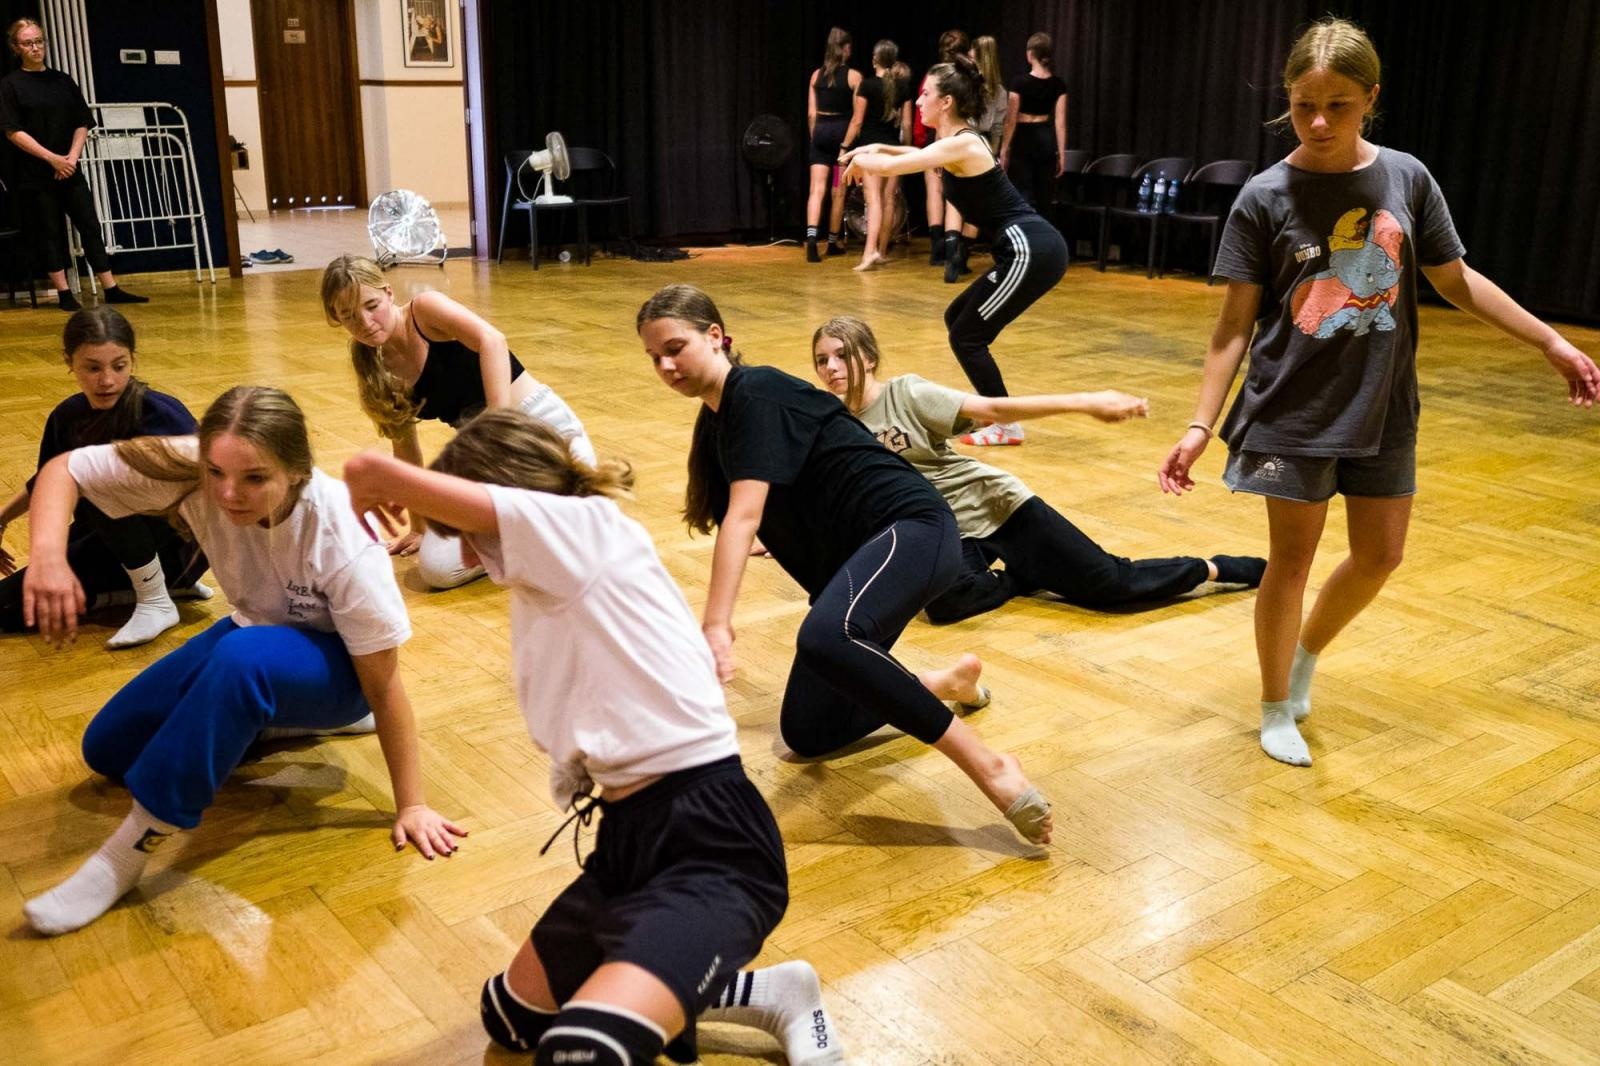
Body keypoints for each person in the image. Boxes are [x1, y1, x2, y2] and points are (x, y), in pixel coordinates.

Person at [1156, 17, 1600, 768]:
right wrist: (1201, 425)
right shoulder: (1264, 197)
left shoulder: (1405, 178)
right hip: (1290, 411)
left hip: (1385, 407)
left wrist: (1551, 340)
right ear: (1286, 101)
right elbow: (1232, 327)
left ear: (1372, 99)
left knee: (1380, 556)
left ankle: (1302, 658)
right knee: (1289, 563)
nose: (1320, 121)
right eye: (1303, 105)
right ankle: (1273, 706)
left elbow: (1455, 279)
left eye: (1339, 105)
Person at [343, 410, 842, 1066]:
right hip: (630, 843)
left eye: (467, 531)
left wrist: (370, 482)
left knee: (583, 1052)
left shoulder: (582, 531)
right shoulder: (553, 577)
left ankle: (676, 976)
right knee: (511, 1019)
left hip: (714, 847)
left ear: (511, 498)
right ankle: (769, 991)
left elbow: (366, 470)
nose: (464, 555)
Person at [19, 386, 462, 936]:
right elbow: (65, 469)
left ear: (296, 472)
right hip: (254, 636)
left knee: (240, 659)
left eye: (255, 478)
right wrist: (46, 557)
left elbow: (387, 684)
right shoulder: (194, 466)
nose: (229, 493)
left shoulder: (342, 539)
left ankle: (126, 855)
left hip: (343, 674)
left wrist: (412, 805)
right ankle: (264, 719)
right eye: (216, 472)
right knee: (108, 749)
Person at [641, 283, 1053, 846]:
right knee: (806, 733)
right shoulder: (717, 425)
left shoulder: (756, 390)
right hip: (862, 560)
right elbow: (759, 512)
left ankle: (989, 765)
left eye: (675, 347)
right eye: (654, 357)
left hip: (914, 530)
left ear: (716, 337)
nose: (665, 366)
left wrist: (716, 624)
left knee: (827, 637)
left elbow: (744, 515)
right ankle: (941, 682)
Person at [813, 315, 1266, 623]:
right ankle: (1026, 574)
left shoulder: (906, 395)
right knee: (945, 605)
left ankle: (1218, 568)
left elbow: (992, 408)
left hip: (995, 506)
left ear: (868, 357)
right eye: (822, 360)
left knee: (1110, 586)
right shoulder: (836, 423)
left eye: (842, 354)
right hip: (946, 530)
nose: (832, 367)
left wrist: (1084, 402)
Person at [320, 254, 594, 589]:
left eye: (371, 305)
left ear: (389, 292)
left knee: (583, 525)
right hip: (486, 462)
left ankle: (548, 526)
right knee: (436, 568)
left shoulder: (424, 310)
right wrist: (419, 527)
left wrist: (496, 430)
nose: (365, 322)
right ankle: (531, 535)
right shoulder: (374, 366)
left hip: (541, 431)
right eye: (348, 316)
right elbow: (405, 448)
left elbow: (491, 340)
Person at [843, 56, 1069, 447]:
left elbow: (901, 165)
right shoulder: (952, 143)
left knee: (967, 336)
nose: (917, 102)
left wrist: (864, 158)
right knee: (957, 320)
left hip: (1030, 248)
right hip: (1024, 248)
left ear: (946, 102)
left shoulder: (964, 143)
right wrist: (875, 147)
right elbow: (905, 155)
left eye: (924, 94)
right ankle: (996, 415)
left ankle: (1006, 423)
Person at [1, 307, 209, 646]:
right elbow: (46, 483)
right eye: (92, 367)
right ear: (69, 362)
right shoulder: (67, 415)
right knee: (12, 608)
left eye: (119, 366)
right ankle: (155, 591)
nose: (107, 380)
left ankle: (156, 599)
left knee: (97, 479)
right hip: (109, 542)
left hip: (176, 546)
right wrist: (2, 520)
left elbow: (210, 490)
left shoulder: (161, 414)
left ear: (133, 361)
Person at [0, 18, 148, 311]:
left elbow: (82, 121)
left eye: (39, 41)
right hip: (35, 171)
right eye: (28, 43)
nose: (36, 47)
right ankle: (64, 293)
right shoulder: (10, 85)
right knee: (49, 230)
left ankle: (111, 286)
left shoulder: (62, 80)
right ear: (16, 48)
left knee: (89, 225)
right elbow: (13, 131)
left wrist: (71, 157)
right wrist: (51, 158)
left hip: (69, 165)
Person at [804, 27, 865, 263]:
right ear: (844, 48)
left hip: (820, 135)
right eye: (849, 46)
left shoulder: (815, 76)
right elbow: (857, 119)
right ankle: (832, 241)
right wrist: (844, 145)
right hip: (841, 137)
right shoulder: (854, 77)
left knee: (816, 190)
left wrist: (815, 137)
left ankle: (811, 241)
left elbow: (811, 114)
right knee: (838, 191)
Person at [851, 39, 911, 272]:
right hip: (892, 147)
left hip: (871, 148)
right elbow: (906, 124)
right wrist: (905, 151)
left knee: (873, 199)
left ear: (875, 59)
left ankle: (869, 251)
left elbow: (857, 121)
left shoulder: (866, 86)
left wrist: (847, 147)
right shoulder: (903, 87)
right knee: (888, 200)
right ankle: (882, 250)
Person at [917, 29, 971, 271]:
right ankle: (952, 248)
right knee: (954, 195)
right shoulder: (963, 76)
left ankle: (936, 245)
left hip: (934, 137)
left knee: (934, 191)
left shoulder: (933, 74)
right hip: (950, 137)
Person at [999, 33, 1068, 215]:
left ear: (1030, 54)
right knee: (1044, 196)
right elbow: (1060, 122)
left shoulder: (1019, 82)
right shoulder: (1058, 84)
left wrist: (1004, 148)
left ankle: (1026, 239)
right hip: (1046, 138)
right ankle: (1044, 240)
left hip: (1024, 139)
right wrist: (1061, 154)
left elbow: (1011, 119)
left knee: (1022, 195)